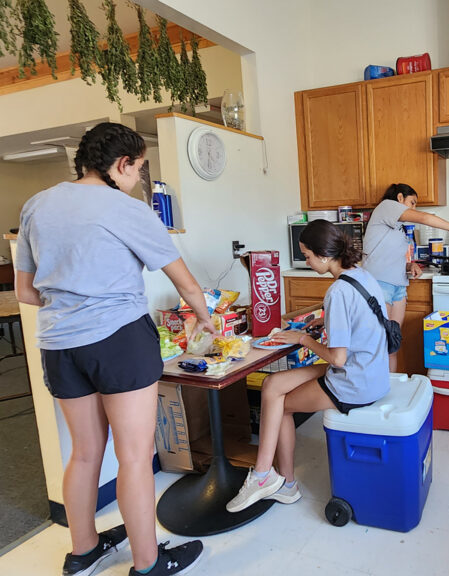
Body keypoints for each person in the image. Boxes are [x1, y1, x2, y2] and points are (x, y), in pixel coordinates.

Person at [13, 122, 214, 576]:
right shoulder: (127, 209)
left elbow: (26, 292)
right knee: (134, 457)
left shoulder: (36, 206)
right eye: (139, 168)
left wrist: (74, 301)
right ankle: (149, 564)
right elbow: (184, 282)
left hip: (60, 345)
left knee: (85, 453)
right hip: (119, 340)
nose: (139, 179)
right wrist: (204, 318)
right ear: (122, 164)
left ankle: (83, 551)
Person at [226, 219, 390, 512]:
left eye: (308, 255)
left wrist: (303, 338)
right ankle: (279, 482)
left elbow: (338, 358)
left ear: (325, 255)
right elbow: (362, 318)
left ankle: (271, 478)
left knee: (282, 404)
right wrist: (325, 319)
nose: (307, 260)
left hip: (353, 379)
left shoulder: (337, 292)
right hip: (371, 371)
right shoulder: (362, 275)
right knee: (272, 384)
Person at [363, 183, 449, 370]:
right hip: (379, 284)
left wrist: (409, 264)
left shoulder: (397, 226)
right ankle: (375, 393)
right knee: (379, 345)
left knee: (392, 345)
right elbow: (425, 218)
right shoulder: (387, 206)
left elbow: (385, 255)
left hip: (397, 287)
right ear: (400, 198)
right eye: (412, 203)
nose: (414, 209)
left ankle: (390, 389)